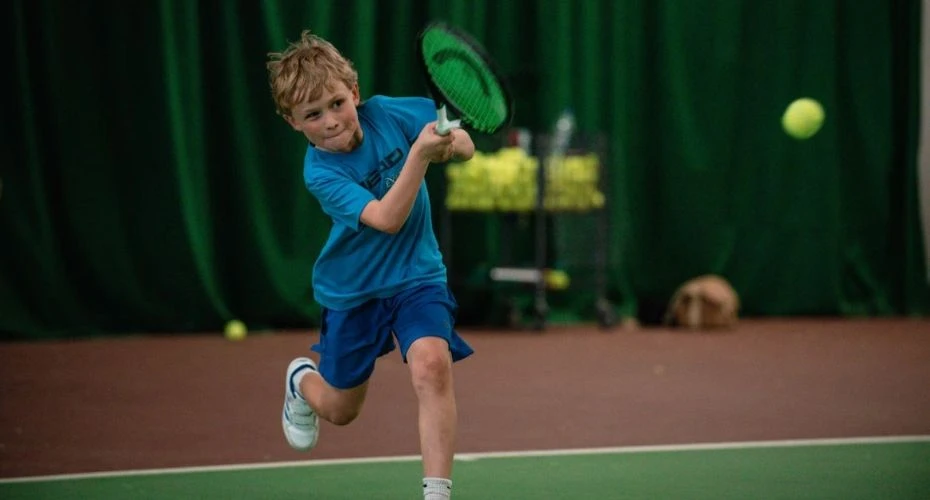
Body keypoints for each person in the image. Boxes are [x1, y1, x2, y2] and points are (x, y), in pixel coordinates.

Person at [266, 30, 476, 500]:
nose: (331, 122)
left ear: (354, 93)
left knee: (432, 366)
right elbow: (386, 219)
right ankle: (302, 380)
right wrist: (420, 155)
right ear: (292, 122)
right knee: (341, 411)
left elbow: (463, 145)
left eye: (337, 103)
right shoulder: (320, 172)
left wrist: (450, 143)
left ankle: (437, 495)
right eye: (312, 115)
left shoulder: (389, 112)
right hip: (353, 292)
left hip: (418, 276)